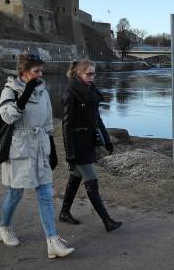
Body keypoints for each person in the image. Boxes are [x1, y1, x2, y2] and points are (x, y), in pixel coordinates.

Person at [0, 53, 74, 259]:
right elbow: (7, 117)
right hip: (19, 149)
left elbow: (48, 121)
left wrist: (52, 147)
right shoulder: (9, 90)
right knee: (16, 194)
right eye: (36, 71)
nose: (40, 75)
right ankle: (4, 228)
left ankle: (52, 242)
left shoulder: (43, 92)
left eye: (41, 70)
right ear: (23, 72)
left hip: (41, 147)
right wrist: (23, 96)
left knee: (46, 194)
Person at [58, 59, 122, 232]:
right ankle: (107, 221)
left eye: (94, 73)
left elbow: (97, 118)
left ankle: (64, 212)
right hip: (77, 144)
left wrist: (107, 139)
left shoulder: (90, 90)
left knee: (75, 177)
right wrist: (70, 153)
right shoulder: (71, 93)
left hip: (88, 141)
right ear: (78, 73)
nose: (92, 77)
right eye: (89, 73)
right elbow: (66, 126)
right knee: (91, 182)